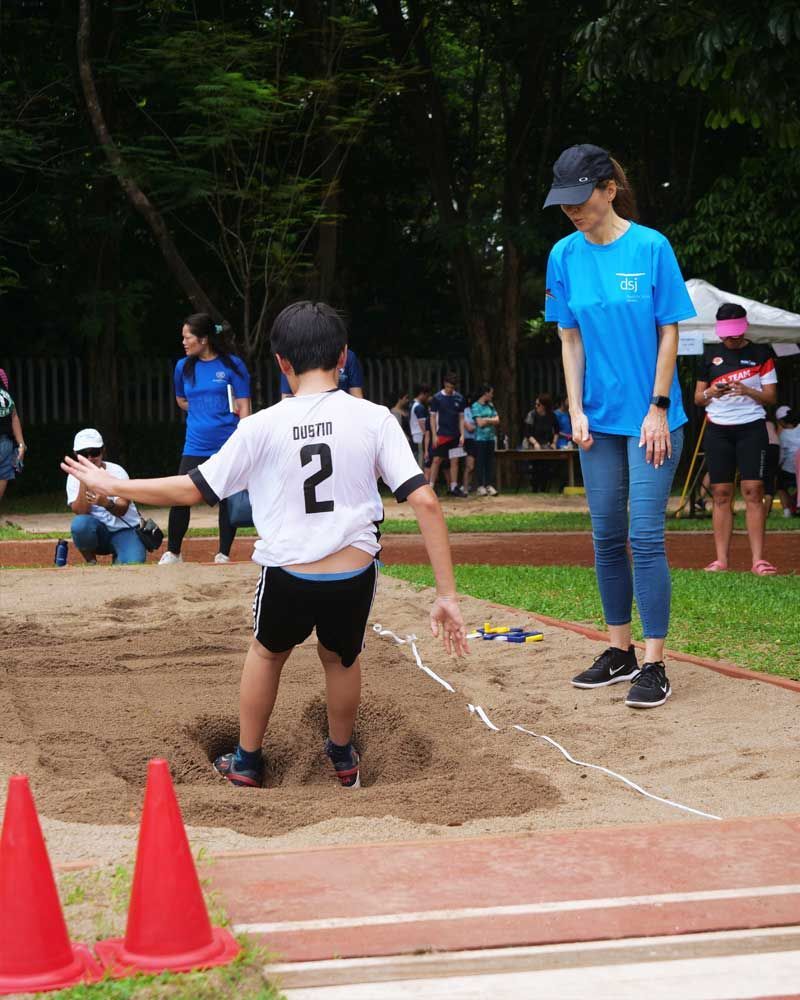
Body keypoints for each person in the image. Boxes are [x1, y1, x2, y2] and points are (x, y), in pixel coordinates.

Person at [62, 301, 468, 790]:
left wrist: (115, 484)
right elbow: (425, 501)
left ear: (280, 362)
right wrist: (445, 595)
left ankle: (248, 762)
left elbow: (191, 489)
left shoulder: (259, 426)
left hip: (288, 574)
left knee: (267, 653)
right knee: (341, 658)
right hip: (353, 575)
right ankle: (343, 759)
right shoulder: (375, 417)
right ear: (343, 357)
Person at [544, 142, 695, 709]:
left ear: (608, 189)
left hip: (652, 418)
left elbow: (669, 332)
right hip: (598, 422)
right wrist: (575, 409)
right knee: (606, 535)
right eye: (564, 203)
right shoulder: (563, 256)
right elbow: (569, 336)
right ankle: (619, 651)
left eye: (580, 199)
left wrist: (657, 407)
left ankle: (655, 664)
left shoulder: (652, 247)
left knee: (645, 536)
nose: (572, 211)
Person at [160, 314, 251, 565]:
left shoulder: (232, 365)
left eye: (187, 337)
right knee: (181, 494)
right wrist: (205, 411)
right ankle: (174, 552)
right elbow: (182, 400)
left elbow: (244, 405)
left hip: (227, 441)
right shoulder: (183, 367)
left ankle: (223, 553)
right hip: (195, 443)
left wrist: (243, 440)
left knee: (227, 497)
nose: (184, 342)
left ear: (203, 339)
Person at [694, 303, 778, 574]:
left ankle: (758, 560)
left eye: (737, 332)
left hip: (752, 428)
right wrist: (712, 393)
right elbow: (697, 398)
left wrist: (746, 390)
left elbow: (770, 397)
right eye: (728, 334)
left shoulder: (761, 353)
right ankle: (721, 560)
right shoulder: (708, 355)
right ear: (719, 332)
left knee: (754, 491)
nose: (733, 338)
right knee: (720, 492)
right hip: (718, 429)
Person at [66, 428, 146, 564]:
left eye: (94, 452)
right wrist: (84, 479)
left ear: (103, 451)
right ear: (76, 454)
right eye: (83, 454)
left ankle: (120, 556)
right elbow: (80, 512)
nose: (90, 458)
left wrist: (106, 503)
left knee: (133, 563)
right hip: (98, 532)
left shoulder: (118, 472)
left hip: (124, 529)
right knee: (80, 525)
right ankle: (91, 562)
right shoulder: (74, 476)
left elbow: (122, 510)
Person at [428, 372, 466, 498]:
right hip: (441, 434)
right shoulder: (437, 398)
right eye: (448, 386)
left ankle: (454, 487)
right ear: (445, 384)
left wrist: (462, 434)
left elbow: (461, 418)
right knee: (437, 460)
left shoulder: (459, 398)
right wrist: (434, 435)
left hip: (455, 435)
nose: (450, 389)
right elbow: (433, 417)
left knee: (454, 460)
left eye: (452, 387)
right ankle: (431, 486)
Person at [280, 347, 364, 398]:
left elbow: (357, 395)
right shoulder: (293, 357)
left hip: (342, 410)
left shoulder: (349, 357)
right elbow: (286, 397)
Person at [524, 393, 559, 491]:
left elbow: (556, 430)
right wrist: (535, 443)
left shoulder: (551, 416)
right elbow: (527, 433)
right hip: (533, 444)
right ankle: (534, 488)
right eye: (536, 404)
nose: (536, 406)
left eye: (538, 404)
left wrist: (554, 443)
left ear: (544, 406)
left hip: (546, 444)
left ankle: (544, 488)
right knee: (535, 466)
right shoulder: (531, 415)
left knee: (546, 466)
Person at [470, 383, 500, 496]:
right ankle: (480, 486)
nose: (492, 395)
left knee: (489, 462)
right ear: (485, 393)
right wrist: (490, 420)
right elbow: (480, 423)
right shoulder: (475, 406)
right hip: (480, 439)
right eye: (491, 393)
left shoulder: (491, 406)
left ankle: (489, 485)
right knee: (480, 462)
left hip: (490, 438)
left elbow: (497, 420)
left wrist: (486, 420)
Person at [0, 382, 25, 504]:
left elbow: (14, 416)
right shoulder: (5, 393)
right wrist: (21, 444)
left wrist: (21, 445)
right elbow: (14, 415)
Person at [777, 406, 800, 516]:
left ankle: (787, 511)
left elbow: (782, 456)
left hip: (790, 470)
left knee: (780, 486)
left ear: (781, 421)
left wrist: (777, 466)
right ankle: (794, 504)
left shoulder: (783, 435)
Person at [409, 384, 432, 470]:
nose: (428, 397)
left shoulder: (412, 404)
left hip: (414, 436)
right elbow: (424, 428)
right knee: (419, 464)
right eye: (427, 395)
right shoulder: (419, 407)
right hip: (419, 438)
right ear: (423, 393)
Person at [763, 410, 780, 518]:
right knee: (770, 477)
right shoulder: (772, 424)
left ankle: (761, 512)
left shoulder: (755, 423)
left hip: (762, 446)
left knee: (756, 479)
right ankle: (766, 511)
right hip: (775, 447)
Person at [462, 399, 478, 494]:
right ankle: (465, 488)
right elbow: (469, 428)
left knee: (475, 466)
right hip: (469, 440)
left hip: (478, 440)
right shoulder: (465, 411)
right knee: (469, 466)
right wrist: (479, 424)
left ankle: (470, 486)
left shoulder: (477, 411)